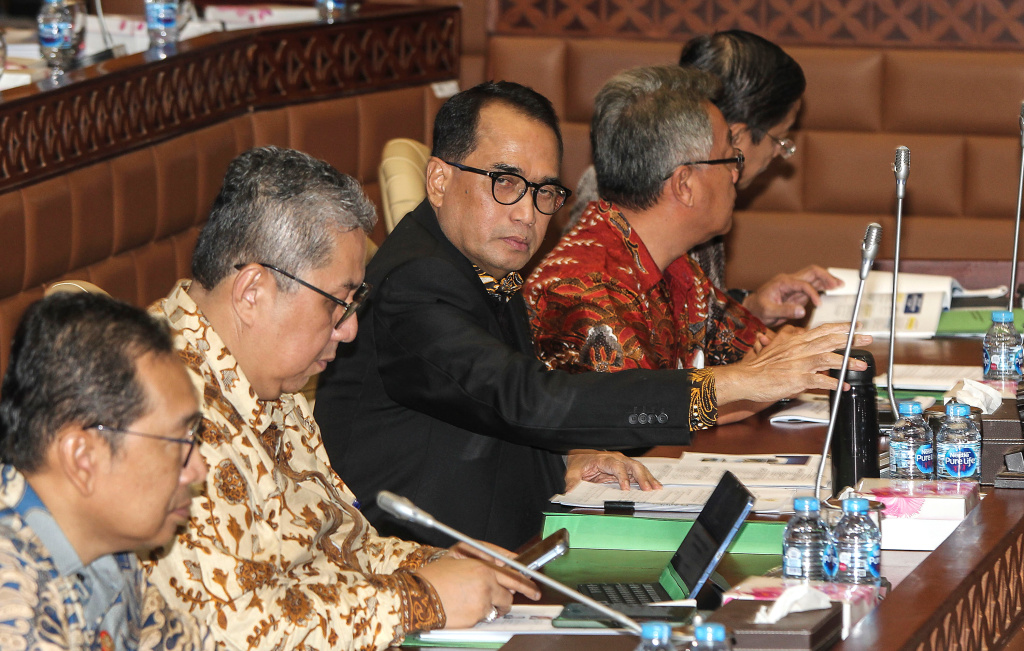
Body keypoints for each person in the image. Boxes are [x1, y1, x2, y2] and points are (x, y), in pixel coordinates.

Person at [313, 80, 869, 551]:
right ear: (439, 179)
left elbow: (487, 417)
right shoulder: (416, 282)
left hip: (504, 540)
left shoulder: (474, 257)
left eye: (544, 192)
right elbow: (525, 399)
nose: (527, 214)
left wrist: (564, 462)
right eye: (505, 183)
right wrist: (737, 382)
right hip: (416, 563)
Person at [144, 146, 539, 651]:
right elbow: (227, 629)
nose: (349, 330)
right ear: (252, 292)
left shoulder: (269, 378)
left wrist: (439, 565)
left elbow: (344, 548)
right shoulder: (155, 407)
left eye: (355, 303)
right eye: (337, 302)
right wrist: (418, 599)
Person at [529, 65, 861, 427]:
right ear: (684, 184)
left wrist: (779, 362)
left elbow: (753, 360)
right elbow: (636, 419)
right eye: (729, 159)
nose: (736, 174)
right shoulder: (584, 286)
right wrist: (753, 378)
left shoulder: (673, 263)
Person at [569, 30, 839, 327]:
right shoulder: (617, 192)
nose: (778, 154)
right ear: (737, 136)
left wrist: (748, 307)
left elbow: (692, 325)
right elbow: (620, 329)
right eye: (779, 140)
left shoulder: (709, 188)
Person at [0, 292, 212, 650]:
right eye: (177, 442)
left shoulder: (105, 540)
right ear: (83, 458)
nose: (198, 470)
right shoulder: (14, 611)